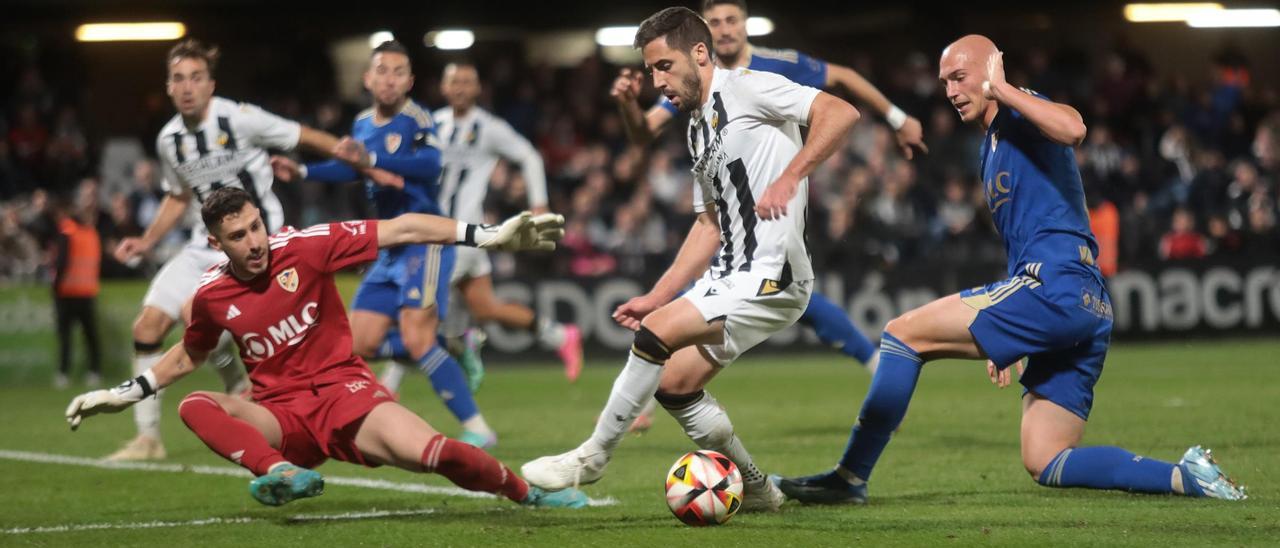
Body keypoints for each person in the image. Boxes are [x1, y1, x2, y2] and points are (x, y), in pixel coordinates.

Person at [774, 35, 1246, 504]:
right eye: (944, 82)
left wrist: (1004, 90)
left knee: (902, 336)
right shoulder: (991, 146)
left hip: (1057, 285)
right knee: (1047, 459)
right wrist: (1013, 335)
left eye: (960, 77)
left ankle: (849, 477)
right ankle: (1186, 477)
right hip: (1081, 299)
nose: (951, 91)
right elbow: (1025, 239)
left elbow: (1074, 127)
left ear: (993, 68)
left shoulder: (1021, 109)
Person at [521, 7, 861, 513]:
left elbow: (841, 112)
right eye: (651, 69)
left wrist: (791, 176)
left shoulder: (748, 87)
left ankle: (591, 458)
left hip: (775, 274)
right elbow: (708, 226)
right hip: (732, 272)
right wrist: (657, 295)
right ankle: (761, 490)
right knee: (676, 386)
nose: (657, 81)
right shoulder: (698, 128)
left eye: (663, 66)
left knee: (655, 335)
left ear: (699, 54)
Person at [65, 187, 583, 509]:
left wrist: (486, 235)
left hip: (347, 394)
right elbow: (188, 354)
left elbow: (402, 226)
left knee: (434, 453)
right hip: (283, 417)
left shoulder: (307, 246)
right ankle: (281, 473)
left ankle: (525, 492)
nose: (254, 242)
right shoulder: (210, 295)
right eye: (238, 236)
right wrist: (127, 392)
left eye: (255, 227)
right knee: (196, 404)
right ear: (217, 244)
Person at [610, 0, 914, 428]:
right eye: (714, 22)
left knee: (789, 294)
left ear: (744, 25)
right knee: (739, 296)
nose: (724, 29)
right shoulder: (691, 82)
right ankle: (666, 392)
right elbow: (644, 131)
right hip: (739, 217)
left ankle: (874, 368)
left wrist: (898, 118)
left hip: (791, 192)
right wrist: (627, 105)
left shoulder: (774, 67)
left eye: (731, 20)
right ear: (702, 37)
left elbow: (842, 81)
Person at [107, 39, 364, 461]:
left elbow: (298, 134)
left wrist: (342, 149)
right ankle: (149, 438)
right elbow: (177, 196)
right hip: (202, 245)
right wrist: (148, 240)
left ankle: (234, 383)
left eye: (196, 78)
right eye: (178, 79)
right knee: (146, 328)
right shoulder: (168, 140)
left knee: (196, 314)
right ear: (169, 88)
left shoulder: (240, 118)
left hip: (260, 243)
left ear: (211, 85)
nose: (187, 87)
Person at [271, 41, 498, 448]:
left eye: (398, 72)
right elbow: (350, 168)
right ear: (368, 78)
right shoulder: (362, 123)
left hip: (423, 240)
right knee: (360, 344)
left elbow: (431, 166)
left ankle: (479, 427)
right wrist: (304, 169)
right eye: (382, 70)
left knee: (416, 338)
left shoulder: (416, 119)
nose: (389, 79)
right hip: (386, 244)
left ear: (409, 81)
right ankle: (450, 346)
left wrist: (372, 163)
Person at [379, 61, 583, 395]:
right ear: (444, 88)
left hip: (461, 235)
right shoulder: (433, 124)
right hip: (435, 231)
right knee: (485, 308)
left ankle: (389, 385)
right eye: (454, 81)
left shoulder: (489, 127)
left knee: (420, 307)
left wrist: (540, 203)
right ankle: (558, 335)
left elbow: (530, 156)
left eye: (467, 82)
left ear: (478, 89)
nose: (460, 87)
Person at [48, 191, 103, 389]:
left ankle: (63, 373)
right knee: (91, 336)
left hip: (66, 292)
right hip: (87, 292)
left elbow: (61, 263)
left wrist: (54, 287)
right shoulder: (90, 232)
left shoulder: (67, 232)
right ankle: (95, 372)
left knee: (65, 337)